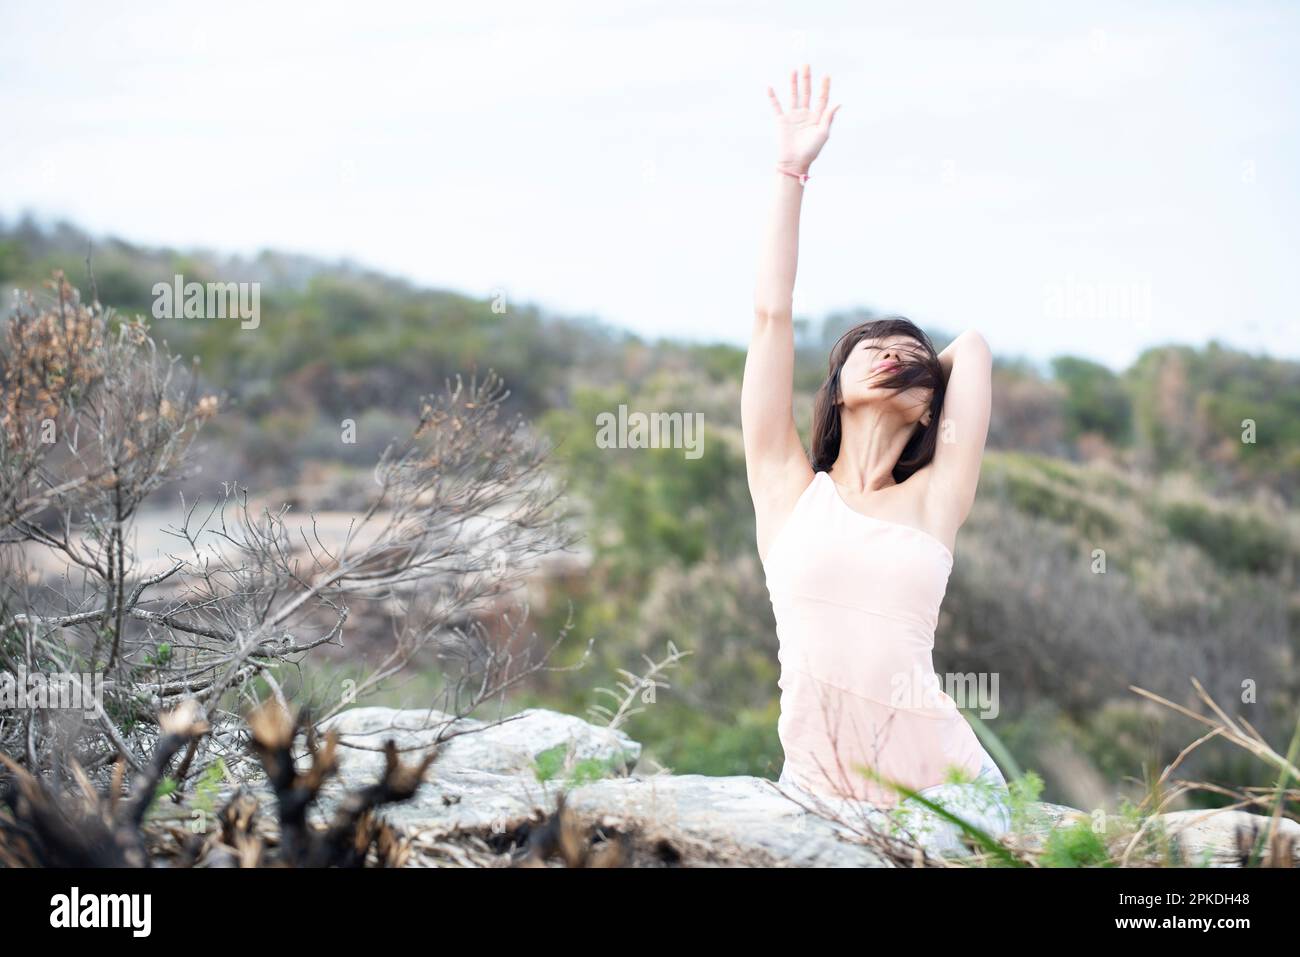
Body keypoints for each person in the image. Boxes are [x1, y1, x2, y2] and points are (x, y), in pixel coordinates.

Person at [743, 65, 1011, 852]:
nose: (894, 352)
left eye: (910, 351)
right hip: (815, 795)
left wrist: (924, 373)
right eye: (873, 348)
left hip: (947, 795)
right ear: (836, 389)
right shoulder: (788, 489)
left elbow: (974, 346)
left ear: (933, 405)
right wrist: (791, 172)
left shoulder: (936, 496)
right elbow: (770, 316)